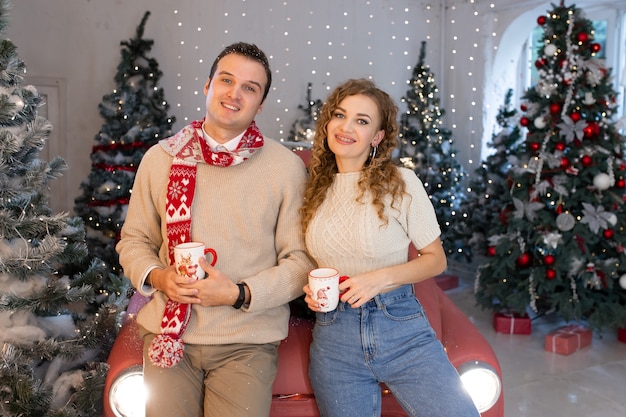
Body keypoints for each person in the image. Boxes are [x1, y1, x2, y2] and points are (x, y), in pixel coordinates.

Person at [116, 42, 314, 417]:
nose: (234, 94)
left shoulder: (285, 168)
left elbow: (300, 261)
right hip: (168, 337)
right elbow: (134, 240)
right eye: (226, 80)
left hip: (247, 341)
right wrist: (159, 278)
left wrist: (239, 293)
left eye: (249, 88)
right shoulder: (161, 159)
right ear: (208, 86)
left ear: (260, 104)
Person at [301, 78, 480, 417]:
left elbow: (435, 260)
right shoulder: (313, 189)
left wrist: (379, 279)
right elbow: (308, 261)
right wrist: (309, 292)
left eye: (362, 121)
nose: (347, 126)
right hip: (333, 338)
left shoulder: (401, 182)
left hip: (399, 327)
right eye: (340, 115)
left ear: (378, 137)